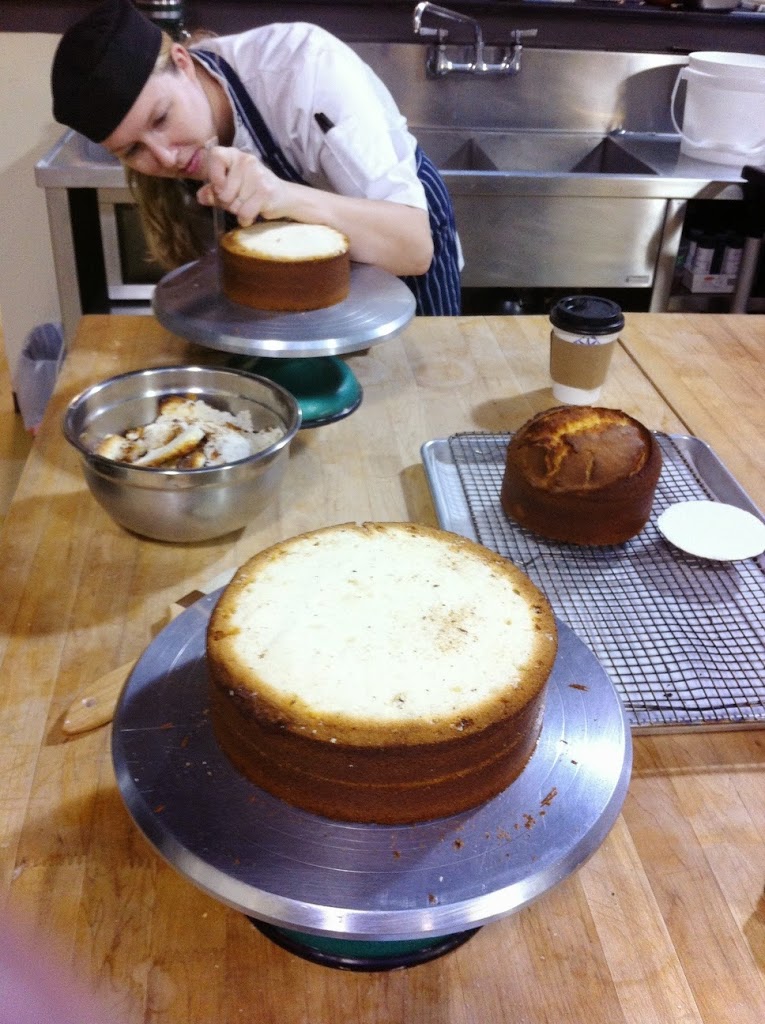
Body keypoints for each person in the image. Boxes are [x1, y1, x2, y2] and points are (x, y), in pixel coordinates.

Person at [50, 0, 462, 315]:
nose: (167, 157)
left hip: (400, 245)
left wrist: (283, 196)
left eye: (161, 118)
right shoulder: (175, 142)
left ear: (183, 62)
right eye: (133, 150)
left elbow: (411, 246)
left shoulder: (304, 67)